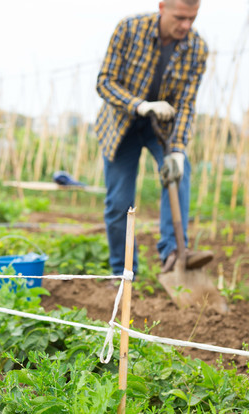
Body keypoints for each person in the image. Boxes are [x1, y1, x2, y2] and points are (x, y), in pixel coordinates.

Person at [95, 0, 213, 276]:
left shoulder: (197, 48)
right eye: (180, 17)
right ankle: (122, 272)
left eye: (192, 19)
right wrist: (140, 105)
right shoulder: (130, 29)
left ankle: (173, 253)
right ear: (162, 8)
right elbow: (105, 82)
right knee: (118, 203)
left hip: (161, 126)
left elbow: (186, 103)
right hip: (121, 122)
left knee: (179, 175)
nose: (186, 25)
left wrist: (177, 150)